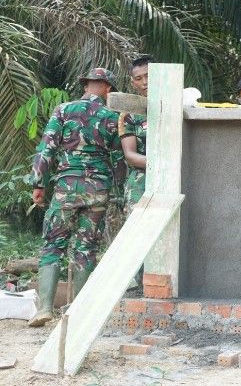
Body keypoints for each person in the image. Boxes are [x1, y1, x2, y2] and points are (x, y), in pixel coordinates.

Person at [28, 68, 126, 327]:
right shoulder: (112, 117)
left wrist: (38, 184)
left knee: (53, 245)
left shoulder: (63, 110)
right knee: (86, 248)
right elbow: (118, 158)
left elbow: (46, 148)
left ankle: (45, 309)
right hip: (98, 192)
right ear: (108, 88)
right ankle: (77, 312)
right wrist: (119, 191)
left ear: (86, 85)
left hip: (66, 190)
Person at [119, 55, 152, 215]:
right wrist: (161, 165)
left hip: (177, 180)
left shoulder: (180, 106)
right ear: (133, 83)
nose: (145, 82)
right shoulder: (129, 115)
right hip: (141, 182)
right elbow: (130, 155)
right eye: (139, 78)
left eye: (148, 76)